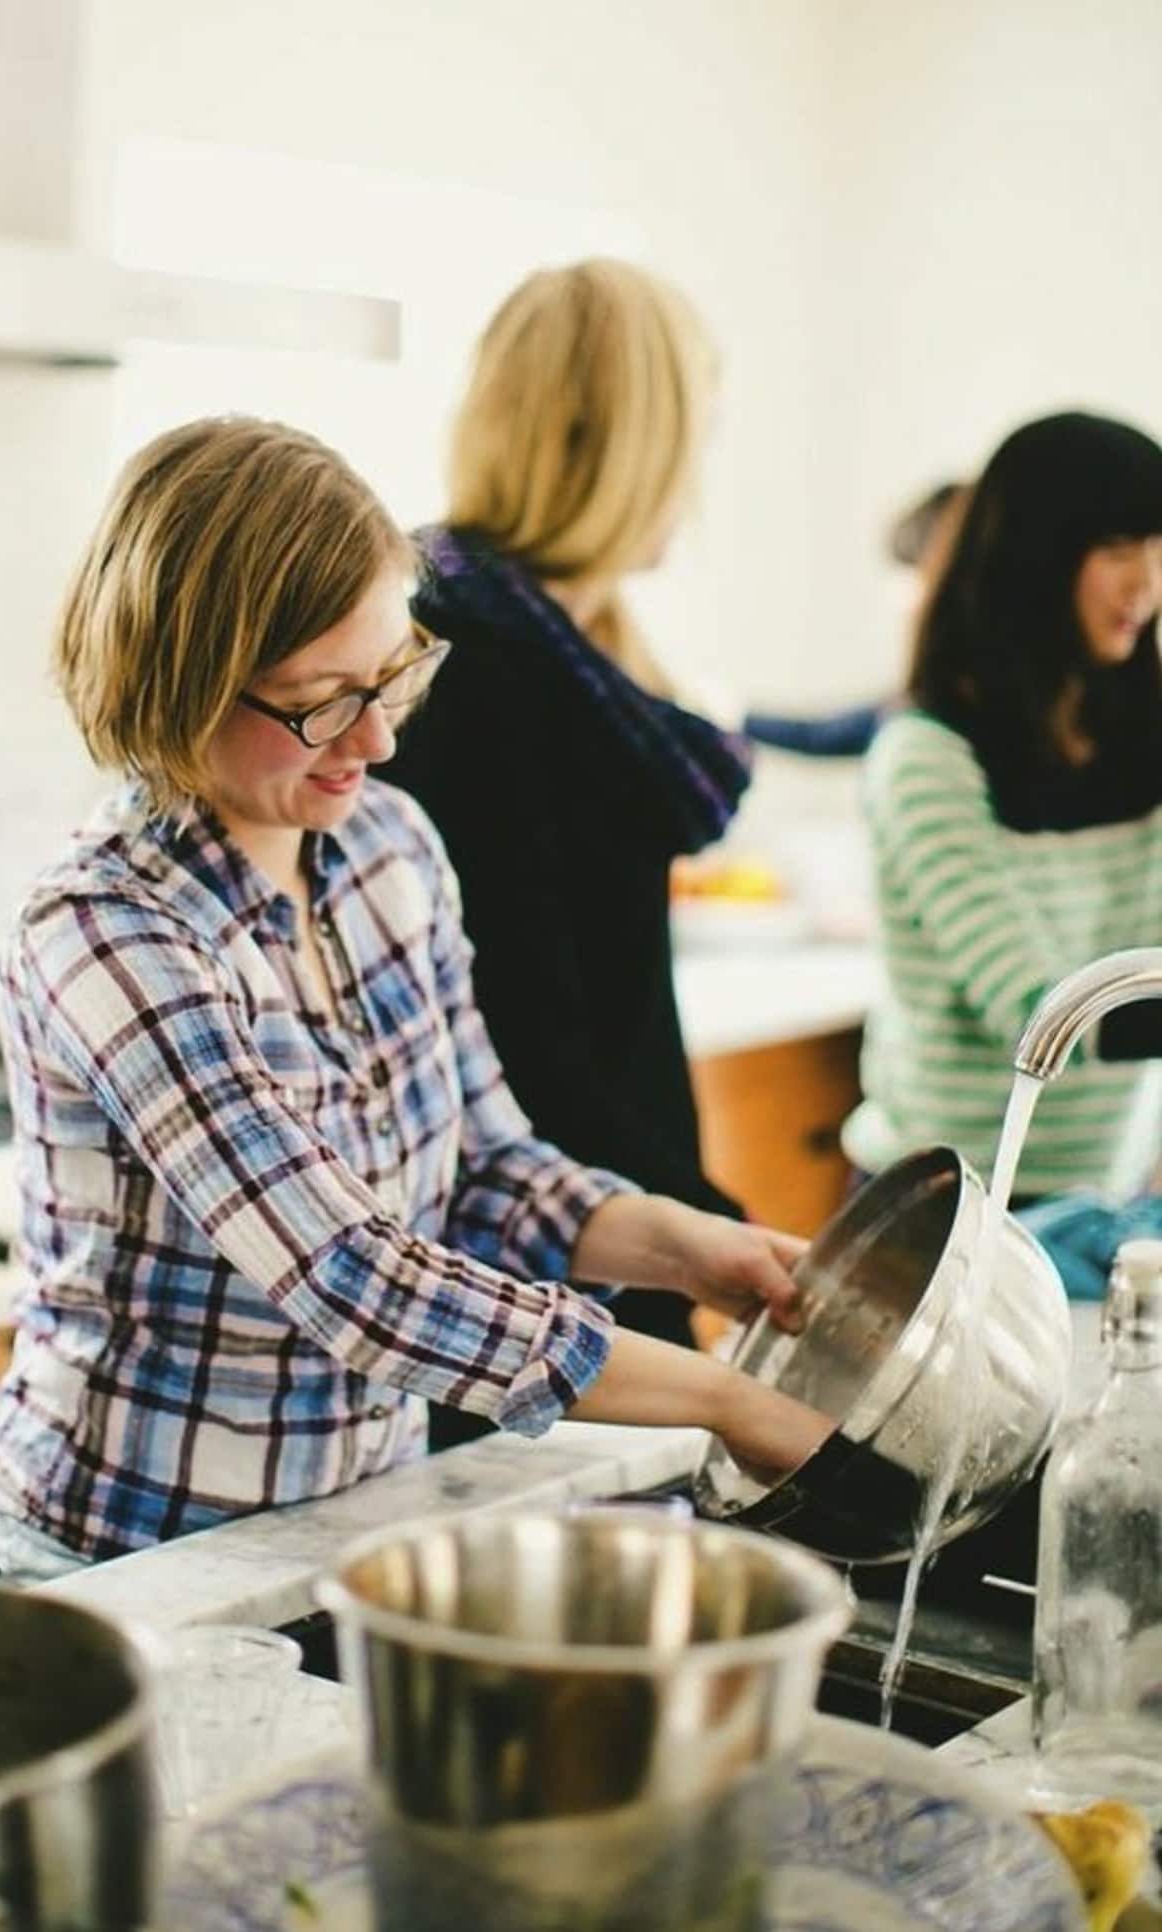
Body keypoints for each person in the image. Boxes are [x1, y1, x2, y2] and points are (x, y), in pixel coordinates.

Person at [0, 416, 828, 1582]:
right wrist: (723, 1401)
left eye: (392, 677)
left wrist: (696, 1251)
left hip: (350, 1529)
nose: (372, 740)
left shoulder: (390, 851)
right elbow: (353, 1279)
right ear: (176, 685)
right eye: (321, 702)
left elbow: (485, 1170)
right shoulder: (110, 929)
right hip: (120, 1564)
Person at [384, 261, 750, 1397]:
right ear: (626, 448)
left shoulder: (585, 657)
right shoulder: (472, 671)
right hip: (537, 1270)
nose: (697, 476)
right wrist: (703, 1232)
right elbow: (526, 1044)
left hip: (625, 1218)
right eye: (691, 434)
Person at [842, 411, 1162, 1206]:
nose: (1148, 584)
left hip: (1098, 1201)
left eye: (1159, 549)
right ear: (1038, 561)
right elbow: (1038, 1013)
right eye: (1120, 550)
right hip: (942, 1211)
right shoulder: (928, 759)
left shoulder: (1141, 741)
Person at [742, 481, 967, 758]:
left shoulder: (927, 725)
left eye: (912, 584)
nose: (904, 604)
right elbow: (819, 736)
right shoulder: (921, 709)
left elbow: (823, 736)